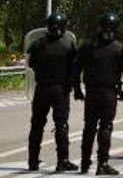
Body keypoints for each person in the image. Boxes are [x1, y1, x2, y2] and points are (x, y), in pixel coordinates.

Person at [73, 13, 123, 175]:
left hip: (92, 92)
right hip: (108, 92)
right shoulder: (119, 48)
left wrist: (77, 90)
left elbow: (76, 69)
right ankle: (102, 163)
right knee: (105, 127)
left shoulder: (87, 46)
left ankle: (85, 162)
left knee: (89, 127)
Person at [27, 12, 79, 172]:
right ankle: (62, 160)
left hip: (41, 88)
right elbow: (75, 68)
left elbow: (32, 64)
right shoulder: (68, 45)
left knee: (36, 125)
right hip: (61, 89)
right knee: (61, 125)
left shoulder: (37, 44)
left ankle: (33, 161)